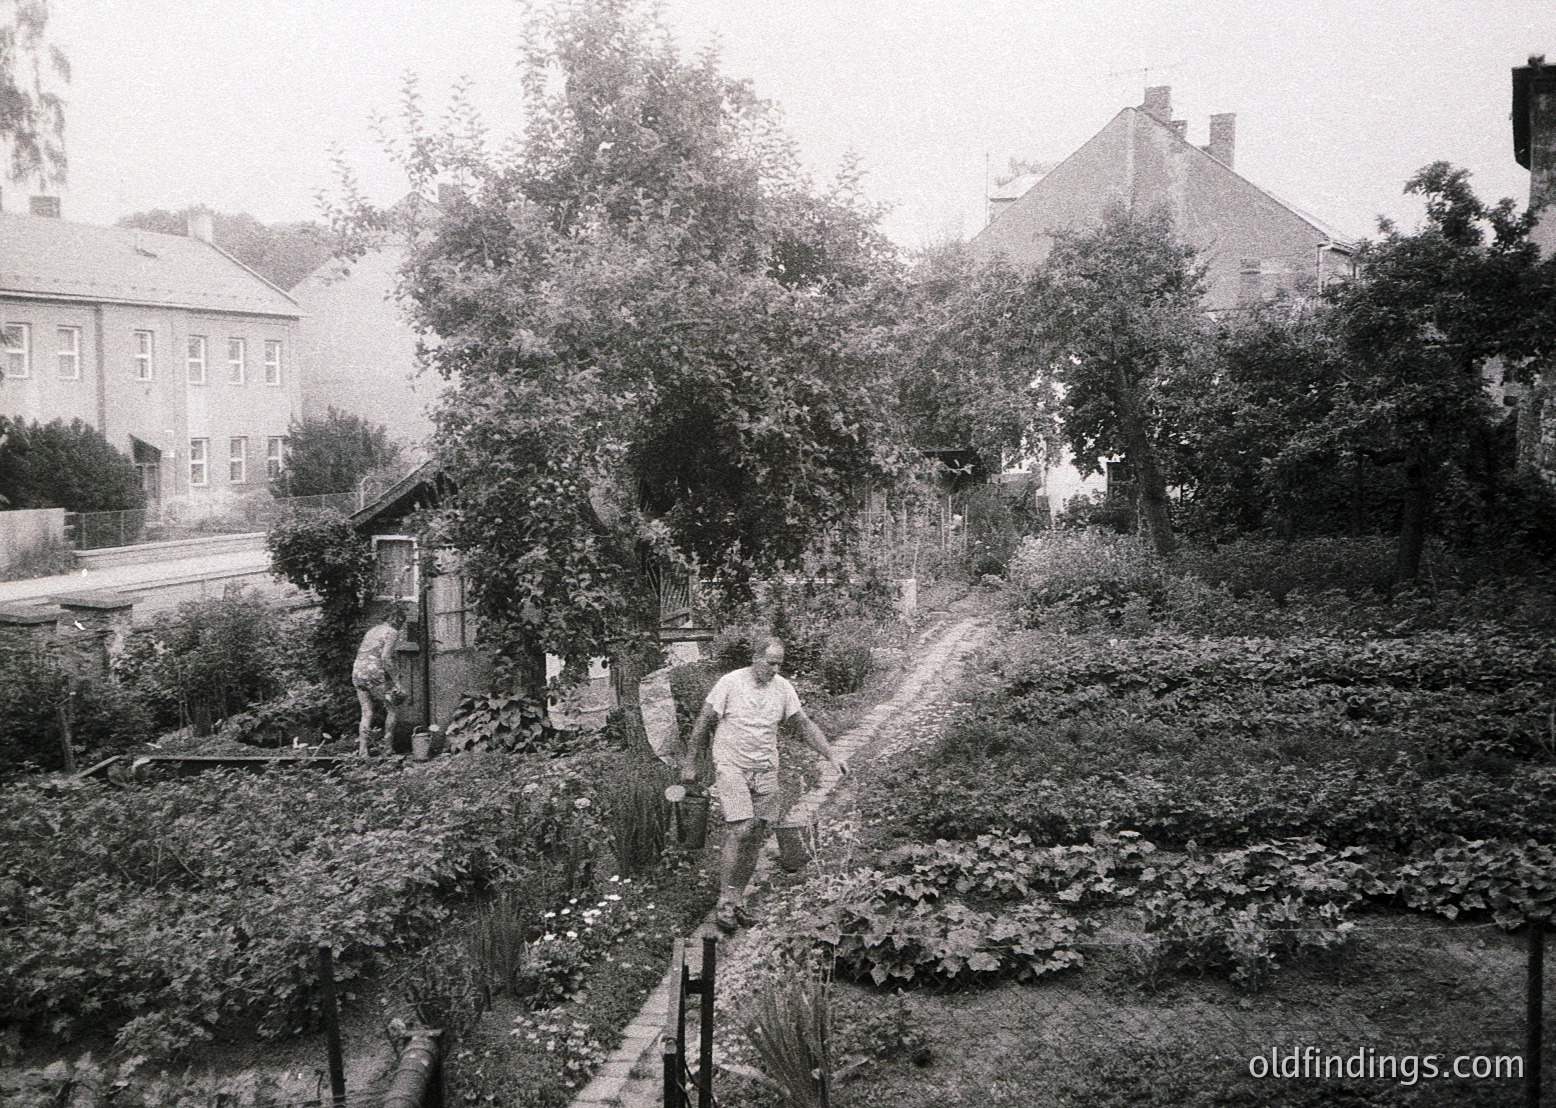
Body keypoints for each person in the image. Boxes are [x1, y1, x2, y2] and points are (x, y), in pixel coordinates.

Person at [682, 636, 848, 934]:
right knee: (741, 827)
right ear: (756, 658)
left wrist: (831, 754)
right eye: (770, 663)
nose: (775, 669)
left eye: (779, 664)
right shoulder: (730, 683)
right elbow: (704, 722)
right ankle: (724, 901)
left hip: (765, 767)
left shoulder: (783, 688)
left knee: (757, 834)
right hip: (731, 764)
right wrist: (691, 761)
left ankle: (736, 899)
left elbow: (804, 724)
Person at [353, 605, 408, 755]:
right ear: (395, 618)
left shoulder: (372, 630)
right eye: (401, 620)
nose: (401, 625)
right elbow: (386, 658)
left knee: (367, 712)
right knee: (392, 709)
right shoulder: (391, 632)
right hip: (375, 673)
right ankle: (387, 748)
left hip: (358, 672)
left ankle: (362, 752)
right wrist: (397, 681)